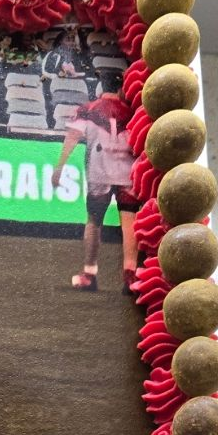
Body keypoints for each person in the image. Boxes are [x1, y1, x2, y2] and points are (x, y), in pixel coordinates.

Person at [50, 71, 137, 292]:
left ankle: (89, 274)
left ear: (101, 87)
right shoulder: (133, 113)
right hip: (128, 173)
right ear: (121, 89)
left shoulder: (88, 109)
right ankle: (130, 276)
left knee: (94, 221)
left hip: (99, 172)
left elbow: (72, 137)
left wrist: (59, 167)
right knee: (129, 222)